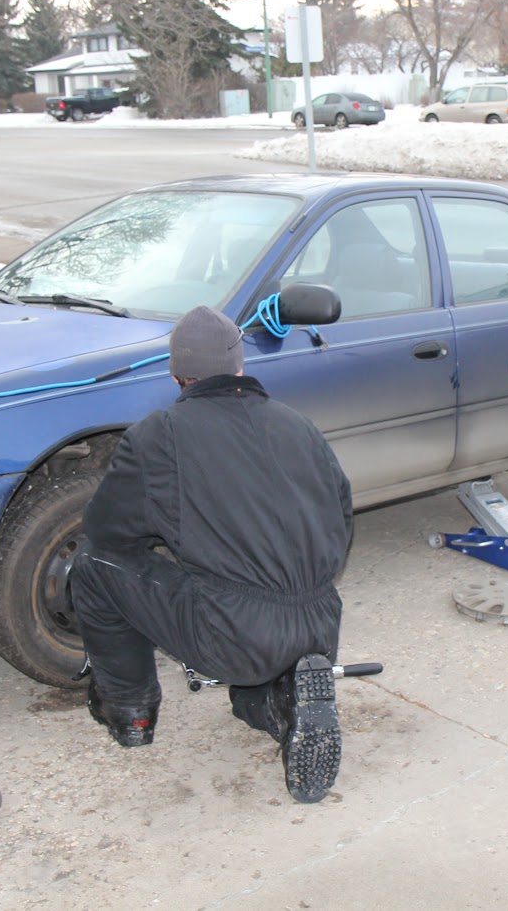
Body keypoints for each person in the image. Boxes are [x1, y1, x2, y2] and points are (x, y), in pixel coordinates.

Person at [69, 305, 354, 804]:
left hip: (230, 635)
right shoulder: (298, 425)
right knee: (246, 694)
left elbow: (108, 531)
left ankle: (130, 710)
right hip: (320, 623)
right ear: (240, 367)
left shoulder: (161, 435)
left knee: (93, 565)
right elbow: (342, 521)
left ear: (177, 373)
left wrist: (176, 536)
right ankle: (282, 703)